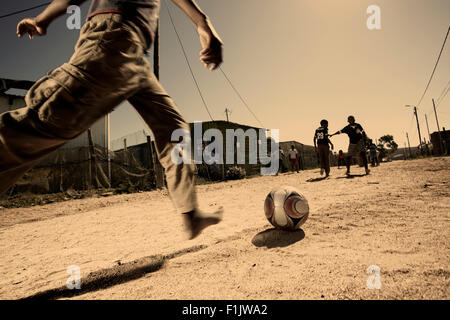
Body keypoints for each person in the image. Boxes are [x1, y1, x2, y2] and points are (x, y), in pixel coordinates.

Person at [0, 0, 224, 240]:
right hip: (112, 37)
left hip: (135, 56)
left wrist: (203, 24)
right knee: (50, 119)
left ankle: (190, 214)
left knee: (174, 131)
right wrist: (42, 20)